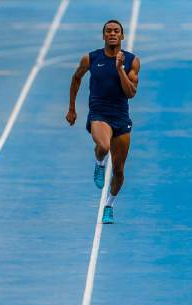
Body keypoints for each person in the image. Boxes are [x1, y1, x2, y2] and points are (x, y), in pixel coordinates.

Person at [66, 19, 140, 223]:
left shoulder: (132, 61)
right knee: (103, 145)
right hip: (99, 113)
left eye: (116, 31)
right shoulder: (90, 59)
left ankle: (109, 205)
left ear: (122, 36)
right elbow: (76, 79)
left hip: (121, 117)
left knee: (119, 171)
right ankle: (99, 162)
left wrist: (119, 69)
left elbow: (131, 93)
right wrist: (72, 108)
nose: (113, 33)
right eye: (109, 31)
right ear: (103, 35)